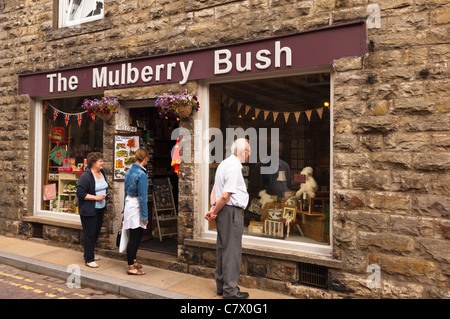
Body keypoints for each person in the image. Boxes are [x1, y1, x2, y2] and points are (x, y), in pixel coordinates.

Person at [205, 138, 251, 299]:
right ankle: (230, 292)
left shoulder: (224, 164)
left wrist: (213, 208)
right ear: (242, 152)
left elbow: (215, 190)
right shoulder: (234, 167)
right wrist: (215, 211)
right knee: (232, 252)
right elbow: (225, 195)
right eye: (248, 150)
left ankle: (222, 287)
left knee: (223, 249)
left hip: (223, 211)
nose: (249, 153)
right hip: (230, 212)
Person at [76, 152, 108, 268]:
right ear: (93, 163)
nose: (102, 163)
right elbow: (80, 193)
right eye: (100, 161)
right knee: (89, 234)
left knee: (96, 232)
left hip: (100, 208)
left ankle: (89, 254)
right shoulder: (86, 176)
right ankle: (89, 259)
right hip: (89, 210)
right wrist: (96, 197)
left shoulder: (101, 172)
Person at [123, 149, 149, 275]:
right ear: (145, 159)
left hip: (129, 204)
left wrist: (124, 207)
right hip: (136, 206)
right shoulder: (142, 174)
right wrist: (145, 216)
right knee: (135, 236)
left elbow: (124, 192)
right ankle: (131, 266)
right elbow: (143, 197)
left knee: (134, 234)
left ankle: (133, 260)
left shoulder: (128, 172)